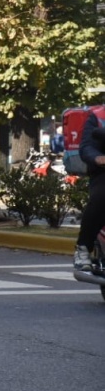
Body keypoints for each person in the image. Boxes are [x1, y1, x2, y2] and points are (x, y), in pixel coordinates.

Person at [74, 111, 105, 271]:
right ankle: (83, 248)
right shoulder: (99, 117)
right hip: (103, 170)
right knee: (101, 197)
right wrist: (97, 158)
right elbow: (87, 146)